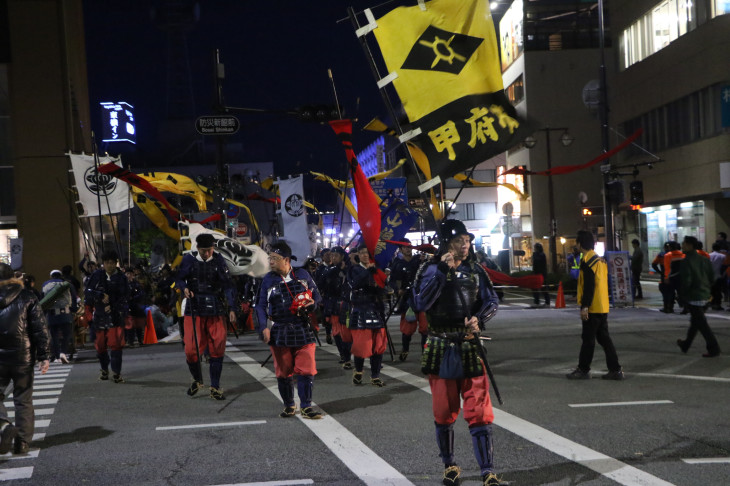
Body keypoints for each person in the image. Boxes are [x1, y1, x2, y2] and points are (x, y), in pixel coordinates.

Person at [412, 219, 501, 486]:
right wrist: (442, 272)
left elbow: (491, 300)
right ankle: (450, 465)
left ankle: (488, 470)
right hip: (440, 344)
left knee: (480, 410)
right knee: (443, 411)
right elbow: (419, 302)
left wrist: (479, 318)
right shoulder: (428, 269)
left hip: (470, 343)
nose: (466, 245)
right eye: (460, 241)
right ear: (446, 244)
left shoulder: (477, 270)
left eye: (468, 241)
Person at [255, 241, 324, 419]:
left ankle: (307, 405)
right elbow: (261, 306)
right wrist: (264, 327)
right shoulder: (268, 279)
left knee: (306, 369)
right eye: (269, 258)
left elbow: (316, 295)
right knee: (283, 371)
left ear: (286, 260)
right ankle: (289, 405)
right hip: (279, 330)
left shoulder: (302, 274)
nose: (270, 261)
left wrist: (312, 304)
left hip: (302, 327)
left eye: (274, 258)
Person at [175, 233, 237, 400]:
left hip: (215, 308)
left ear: (213, 248)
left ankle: (215, 387)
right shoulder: (188, 260)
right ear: (197, 248)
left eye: (209, 250)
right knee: (190, 349)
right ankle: (196, 379)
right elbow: (179, 279)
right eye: (203, 250)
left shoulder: (219, 260)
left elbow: (228, 286)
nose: (207, 253)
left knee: (217, 348)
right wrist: (184, 288)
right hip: (193, 308)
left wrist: (232, 308)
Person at [0, 263, 51, 455]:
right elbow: (40, 328)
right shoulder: (28, 297)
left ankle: (4, 425)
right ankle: (22, 442)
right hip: (23, 357)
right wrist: (44, 356)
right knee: (23, 399)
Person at [566, 231, 624, 381]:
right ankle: (615, 369)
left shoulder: (587, 261)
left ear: (579, 244)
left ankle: (583, 369)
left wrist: (585, 306)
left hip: (593, 307)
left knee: (588, 339)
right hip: (602, 305)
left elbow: (589, 286)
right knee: (604, 339)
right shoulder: (599, 260)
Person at [347, 244, 389, 387]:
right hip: (361, 310)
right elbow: (355, 283)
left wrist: (385, 284)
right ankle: (358, 371)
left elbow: (384, 287)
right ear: (358, 254)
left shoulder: (377, 269)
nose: (365, 255)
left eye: (367, 253)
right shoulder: (354, 269)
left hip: (377, 310)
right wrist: (368, 271)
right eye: (362, 253)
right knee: (362, 346)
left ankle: (375, 376)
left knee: (378, 346)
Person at [85, 251, 129, 383]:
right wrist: (99, 295)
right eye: (107, 263)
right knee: (100, 345)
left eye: (112, 262)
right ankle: (104, 369)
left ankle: (116, 372)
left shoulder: (122, 277)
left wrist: (115, 306)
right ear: (103, 263)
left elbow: (126, 297)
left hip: (115, 317)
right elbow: (88, 293)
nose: (110, 265)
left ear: (116, 263)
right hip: (99, 315)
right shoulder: (96, 275)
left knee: (116, 345)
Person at [677, 236, 721, 357]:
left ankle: (714, 348)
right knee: (696, 322)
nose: (682, 246)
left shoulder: (686, 261)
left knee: (702, 325)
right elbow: (712, 277)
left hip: (694, 296)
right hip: (705, 295)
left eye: (684, 244)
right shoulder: (704, 259)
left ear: (690, 245)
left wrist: (683, 295)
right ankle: (686, 344)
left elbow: (687, 281)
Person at [388, 240, 426, 361]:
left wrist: (424, 261)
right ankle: (405, 349)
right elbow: (391, 280)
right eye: (405, 247)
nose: (408, 249)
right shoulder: (397, 263)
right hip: (407, 299)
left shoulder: (419, 260)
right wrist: (397, 289)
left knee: (425, 329)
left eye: (409, 247)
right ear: (400, 249)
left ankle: (425, 352)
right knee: (407, 329)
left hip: (421, 298)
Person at [322, 246, 353, 369]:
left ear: (342, 256)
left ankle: (348, 356)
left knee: (347, 333)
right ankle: (344, 356)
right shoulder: (328, 269)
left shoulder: (349, 269)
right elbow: (322, 281)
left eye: (336, 256)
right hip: (333, 305)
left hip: (347, 304)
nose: (333, 258)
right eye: (332, 256)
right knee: (337, 333)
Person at [42, 270, 78, 364]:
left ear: (51, 276)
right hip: (65, 313)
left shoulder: (45, 284)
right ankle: (63, 352)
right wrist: (74, 309)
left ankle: (57, 356)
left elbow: (43, 299)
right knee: (67, 334)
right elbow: (74, 298)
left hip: (51, 313)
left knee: (53, 335)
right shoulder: (67, 284)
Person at [531, 243, 550, 308]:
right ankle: (538, 301)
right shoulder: (538, 254)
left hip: (541, 274)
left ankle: (546, 302)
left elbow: (537, 262)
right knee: (536, 288)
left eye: (535, 247)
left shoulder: (541, 255)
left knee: (543, 288)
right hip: (539, 274)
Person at [708, 242, 726, 310]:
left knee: (711, 291)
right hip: (719, 276)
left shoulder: (709, 255)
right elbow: (724, 266)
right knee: (718, 291)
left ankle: (711, 303)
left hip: (710, 276)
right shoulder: (722, 256)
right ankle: (717, 304)